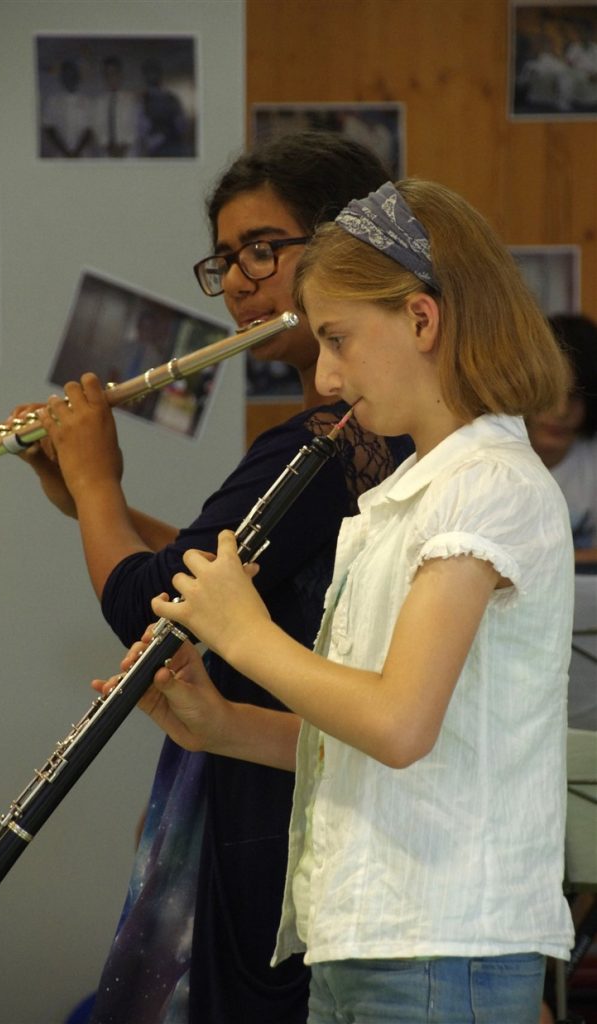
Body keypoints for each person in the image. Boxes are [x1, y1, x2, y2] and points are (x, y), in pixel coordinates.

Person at [126, 178, 576, 1023]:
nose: (326, 377)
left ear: (420, 318)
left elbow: (398, 725)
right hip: (364, 939)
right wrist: (218, 722)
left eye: (337, 339)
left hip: (443, 947)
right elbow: (365, 737)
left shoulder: (486, 487)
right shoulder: (412, 493)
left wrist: (247, 634)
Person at [8, 132, 413, 1023]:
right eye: (225, 258)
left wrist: (97, 482)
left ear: (347, 248)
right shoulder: (356, 432)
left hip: (281, 805)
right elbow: (218, 571)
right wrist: (82, 497)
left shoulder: (324, 440)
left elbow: (150, 605)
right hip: (288, 779)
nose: (237, 280)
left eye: (263, 249)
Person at [527, 312, 597, 563]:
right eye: (553, 392)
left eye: (575, 397)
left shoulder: (591, 460)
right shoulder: (488, 459)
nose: (561, 411)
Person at [40, 59, 93, 159]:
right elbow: (49, 128)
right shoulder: (52, 101)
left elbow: (90, 130)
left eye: (72, 74)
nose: (69, 77)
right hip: (59, 156)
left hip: (82, 156)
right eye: (66, 74)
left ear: (78, 77)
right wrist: (65, 152)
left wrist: (76, 152)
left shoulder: (87, 101)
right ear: (62, 78)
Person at [93, 56, 138, 159]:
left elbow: (135, 127)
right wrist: (107, 147)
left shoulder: (131, 99)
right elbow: (98, 128)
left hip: (128, 153)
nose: (111, 77)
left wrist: (123, 148)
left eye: (114, 73)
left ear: (121, 75)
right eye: (107, 74)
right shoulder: (99, 102)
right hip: (106, 154)